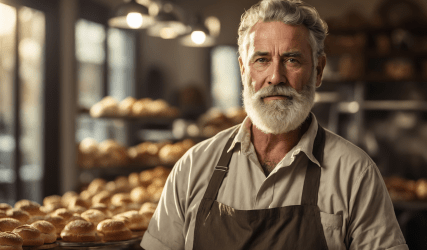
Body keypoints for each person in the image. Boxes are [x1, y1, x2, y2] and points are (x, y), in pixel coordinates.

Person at [141, 0, 408, 249]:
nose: (275, 77)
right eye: (262, 60)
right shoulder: (193, 168)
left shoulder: (355, 174)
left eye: (292, 60)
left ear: (318, 71)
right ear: (244, 70)